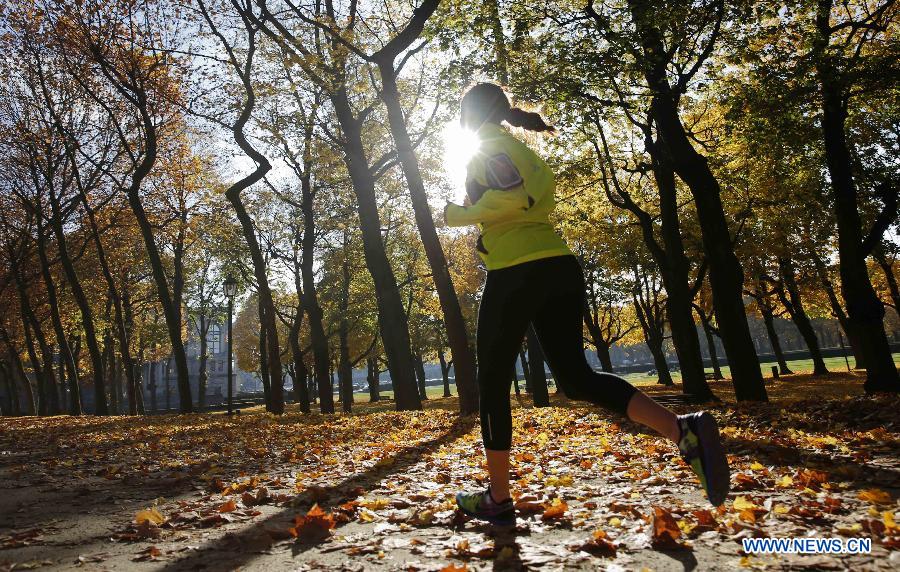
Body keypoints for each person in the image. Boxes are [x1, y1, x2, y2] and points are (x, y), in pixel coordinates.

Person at [446, 83, 730, 527]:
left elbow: (512, 197)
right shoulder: (521, 150)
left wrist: (456, 214)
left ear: (469, 114)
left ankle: (497, 498)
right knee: (577, 379)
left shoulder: (490, 148)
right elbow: (522, 199)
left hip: (518, 270)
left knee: (494, 380)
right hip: (557, 267)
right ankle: (682, 430)